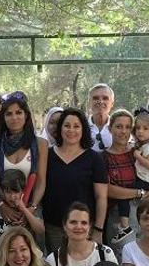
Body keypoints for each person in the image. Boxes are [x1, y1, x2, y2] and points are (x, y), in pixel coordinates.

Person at [40, 107, 109, 252]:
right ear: (60, 128)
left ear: (83, 129)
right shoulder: (47, 155)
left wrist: (98, 229)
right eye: (67, 125)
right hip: (54, 228)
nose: (71, 130)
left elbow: (101, 197)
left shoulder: (94, 158)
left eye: (76, 126)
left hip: (84, 228)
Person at [0, 92, 50, 231]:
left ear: (26, 115)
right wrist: (2, 206)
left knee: (32, 249)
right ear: (3, 118)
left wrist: (31, 208)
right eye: (9, 114)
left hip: (31, 208)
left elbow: (40, 180)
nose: (14, 117)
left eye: (18, 112)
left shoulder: (40, 144)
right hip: (3, 209)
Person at [105, 109, 140, 245]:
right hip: (117, 215)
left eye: (127, 127)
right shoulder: (103, 157)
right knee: (123, 257)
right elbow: (107, 189)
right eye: (119, 127)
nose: (123, 131)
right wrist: (140, 193)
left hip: (143, 212)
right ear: (110, 128)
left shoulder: (138, 153)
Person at [87, 83, 114, 151]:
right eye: (95, 98)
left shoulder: (119, 128)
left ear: (112, 104)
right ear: (89, 102)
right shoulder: (80, 127)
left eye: (105, 98)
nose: (100, 101)